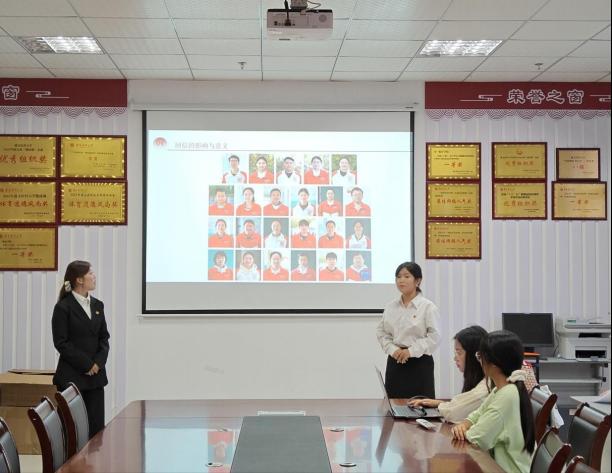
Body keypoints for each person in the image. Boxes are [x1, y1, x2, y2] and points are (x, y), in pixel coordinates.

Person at [451, 331, 535, 473]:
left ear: (495, 364)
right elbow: (476, 415)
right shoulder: (502, 389)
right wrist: (465, 424)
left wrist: (462, 430)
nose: (479, 361)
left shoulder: (507, 395)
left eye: (480, 356)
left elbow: (478, 438)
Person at [51, 260, 110, 438]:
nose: (94, 276)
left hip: (95, 379)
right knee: (73, 433)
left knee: (96, 431)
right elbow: (61, 343)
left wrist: (98, 363)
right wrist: (87, 364)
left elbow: (104, 338)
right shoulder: (63, 307)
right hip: (72, 378)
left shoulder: (98, 305)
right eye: (90, 273)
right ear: (79, 280)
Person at [376, 262, 440, 398]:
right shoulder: (391, 306)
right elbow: (382, 333)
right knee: (394, 403)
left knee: (421, 405)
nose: (401, 280)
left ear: (418, 281)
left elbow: (434, 337)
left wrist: (410, 351)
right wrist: (393, 350)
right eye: (398, 277)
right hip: (396, 360)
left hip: (419, 362)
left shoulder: (428, 307)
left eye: (406, 276)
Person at [408, 326, 488, 423]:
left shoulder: (484, 389)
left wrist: (441, 406)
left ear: (475, 355)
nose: (455, 358)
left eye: (459, 353)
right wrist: (440, 404)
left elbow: (453, 413)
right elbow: (461, 407)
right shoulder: (480, 382)